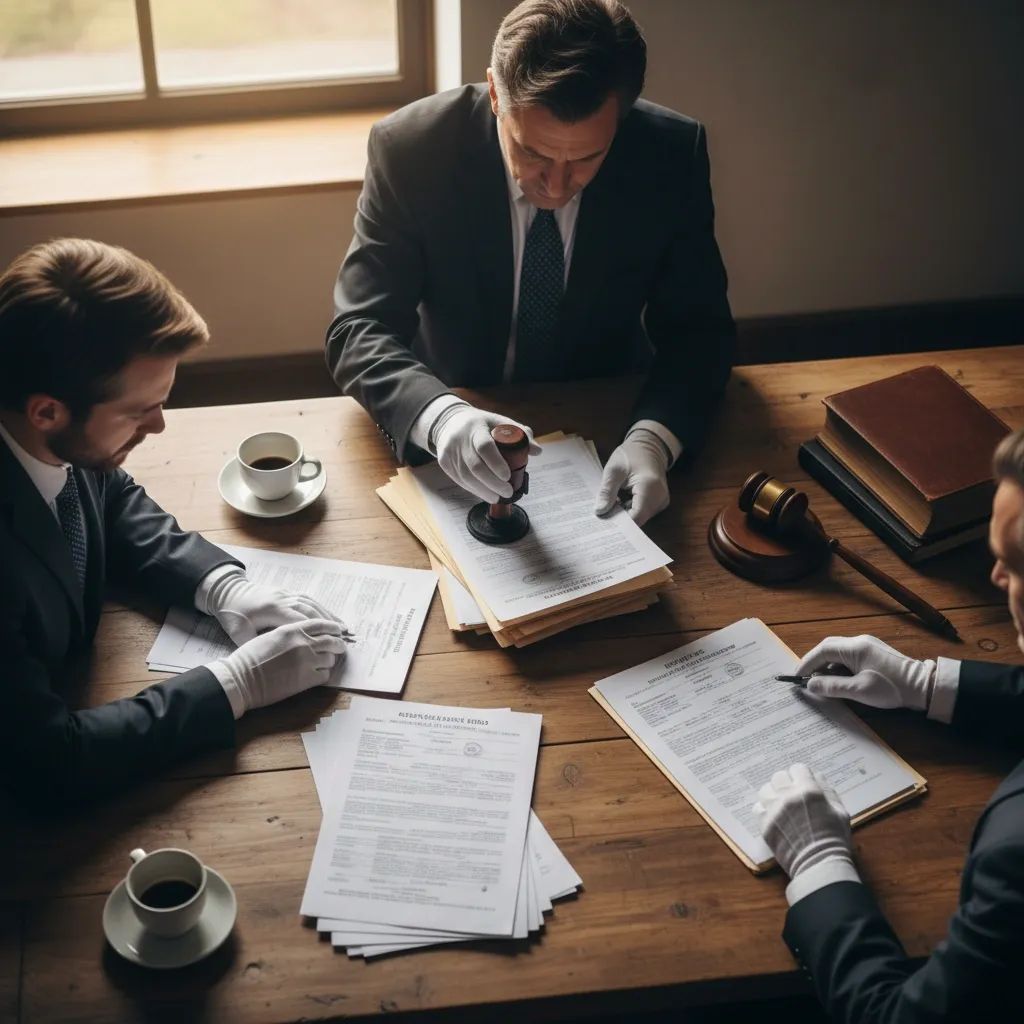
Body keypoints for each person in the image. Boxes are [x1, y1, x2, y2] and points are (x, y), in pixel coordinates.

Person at [327, 0, 734, 527]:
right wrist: (440, 417)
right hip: (457, 396)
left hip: (608, 410)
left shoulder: (672, 155)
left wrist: (655, 439)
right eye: (535, 153)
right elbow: (359, 327)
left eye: (586, 158)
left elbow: (700, 331)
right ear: (495, 93)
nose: (557, 186)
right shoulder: (411, 149)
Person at [0, 238, 350, 808]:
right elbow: (48, 762)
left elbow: (109, 498)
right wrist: (235, 686)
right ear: (47, 411)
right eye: (140, 411)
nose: (161, 427)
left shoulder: (49, 430)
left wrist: (222, 586)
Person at [753, 426, 1024, 1022]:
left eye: (1012, 563)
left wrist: (819, 864)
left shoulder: (1016, 855)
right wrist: (928, 685)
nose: (996, 581)